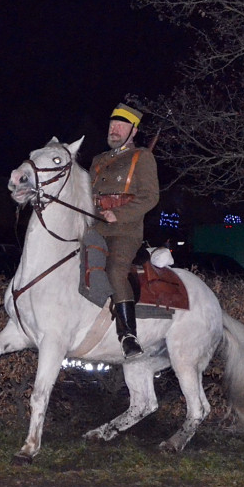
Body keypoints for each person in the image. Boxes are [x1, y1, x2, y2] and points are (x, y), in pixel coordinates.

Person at [91, 103, 159, 360]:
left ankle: (128, 335)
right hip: (95, 228)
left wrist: (117, 214)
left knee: (115, 270)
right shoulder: (98, 161)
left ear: (134, 130)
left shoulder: (142, 157)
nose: (114, 129)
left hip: (125, 231)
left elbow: (150, 197)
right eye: (111, 125)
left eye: (120, 125)